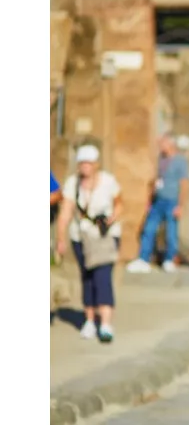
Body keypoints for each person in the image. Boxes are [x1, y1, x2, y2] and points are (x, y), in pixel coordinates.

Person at [55, 145, 122, 342]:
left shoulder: (108, 181)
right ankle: (90, 320)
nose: (85, 167)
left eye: (88, 163)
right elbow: (66, 211)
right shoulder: (72, 183)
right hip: (81, 237)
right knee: (87, 277)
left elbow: (119, 204)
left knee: (102, 276)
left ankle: (106, 323)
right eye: (82, 163)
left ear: (96, 164)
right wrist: (61, 238)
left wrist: (110, 219)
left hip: (105, 237)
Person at [127, 133, 189, 274]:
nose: (160, 146)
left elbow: (184, 184)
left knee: (171, 232)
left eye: (163, 143)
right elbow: (154, 178)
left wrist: (180, 205)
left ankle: (169, 259)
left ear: (171, 144)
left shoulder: (180, 161)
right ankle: (143, 259)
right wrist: (149, 199)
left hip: (172, 201)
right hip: (158, 200)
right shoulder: (161, 159)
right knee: (148, 229)